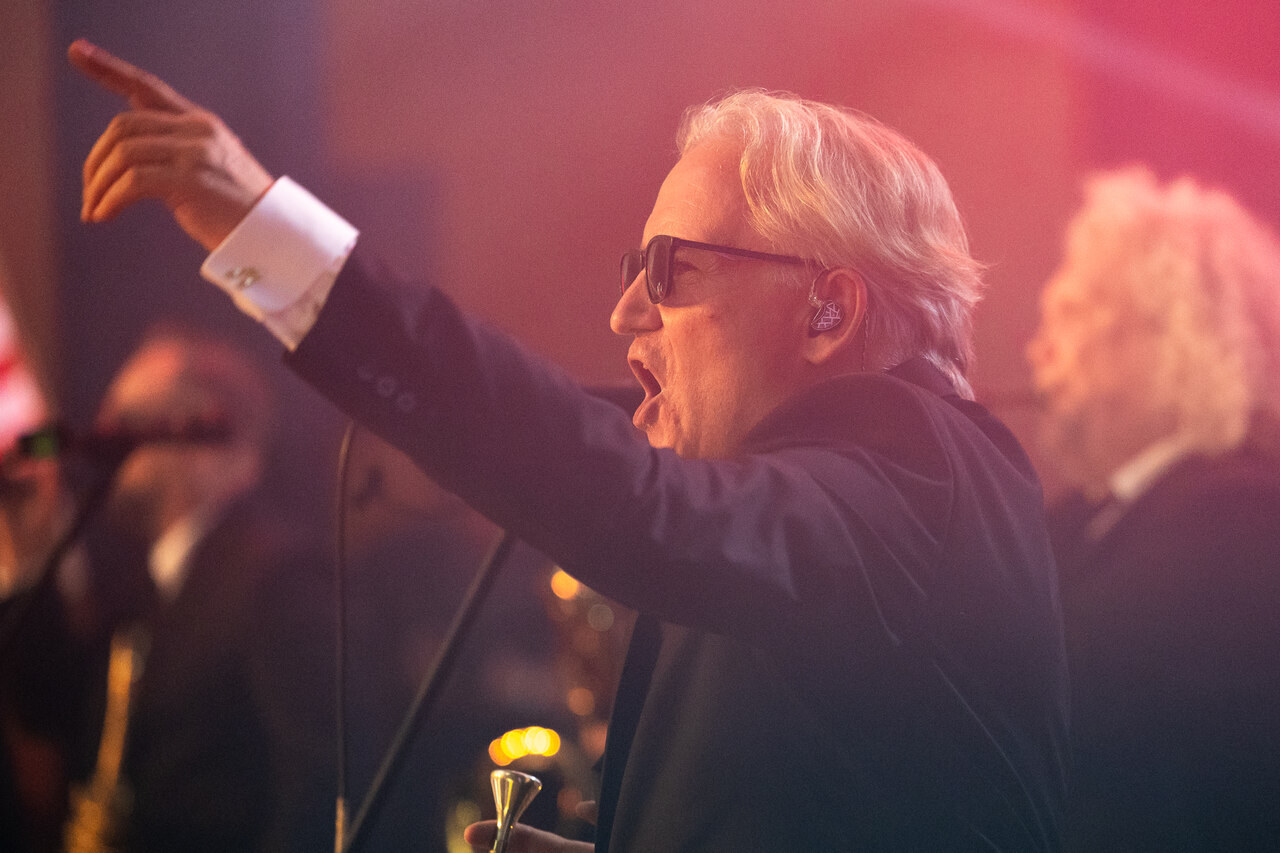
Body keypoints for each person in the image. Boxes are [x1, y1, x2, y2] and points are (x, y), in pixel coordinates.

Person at [68, 38, 1068, 852]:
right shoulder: (810, 506)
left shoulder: (918, 463)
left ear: (827, 310)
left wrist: (273, 237)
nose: (624, 314)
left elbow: (633, 501)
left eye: (670, 271)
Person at [1027, 167, 1280, 851]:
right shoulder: (1084, 515)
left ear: (1177, 335)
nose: (1037, 348)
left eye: (1073, 313)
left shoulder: (1244, 520)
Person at [64, 325, 336, 852]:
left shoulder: (279, 580)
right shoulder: (145, 590)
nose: (104, 442)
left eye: (128, 423)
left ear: (210, 435)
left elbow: (314, 788)